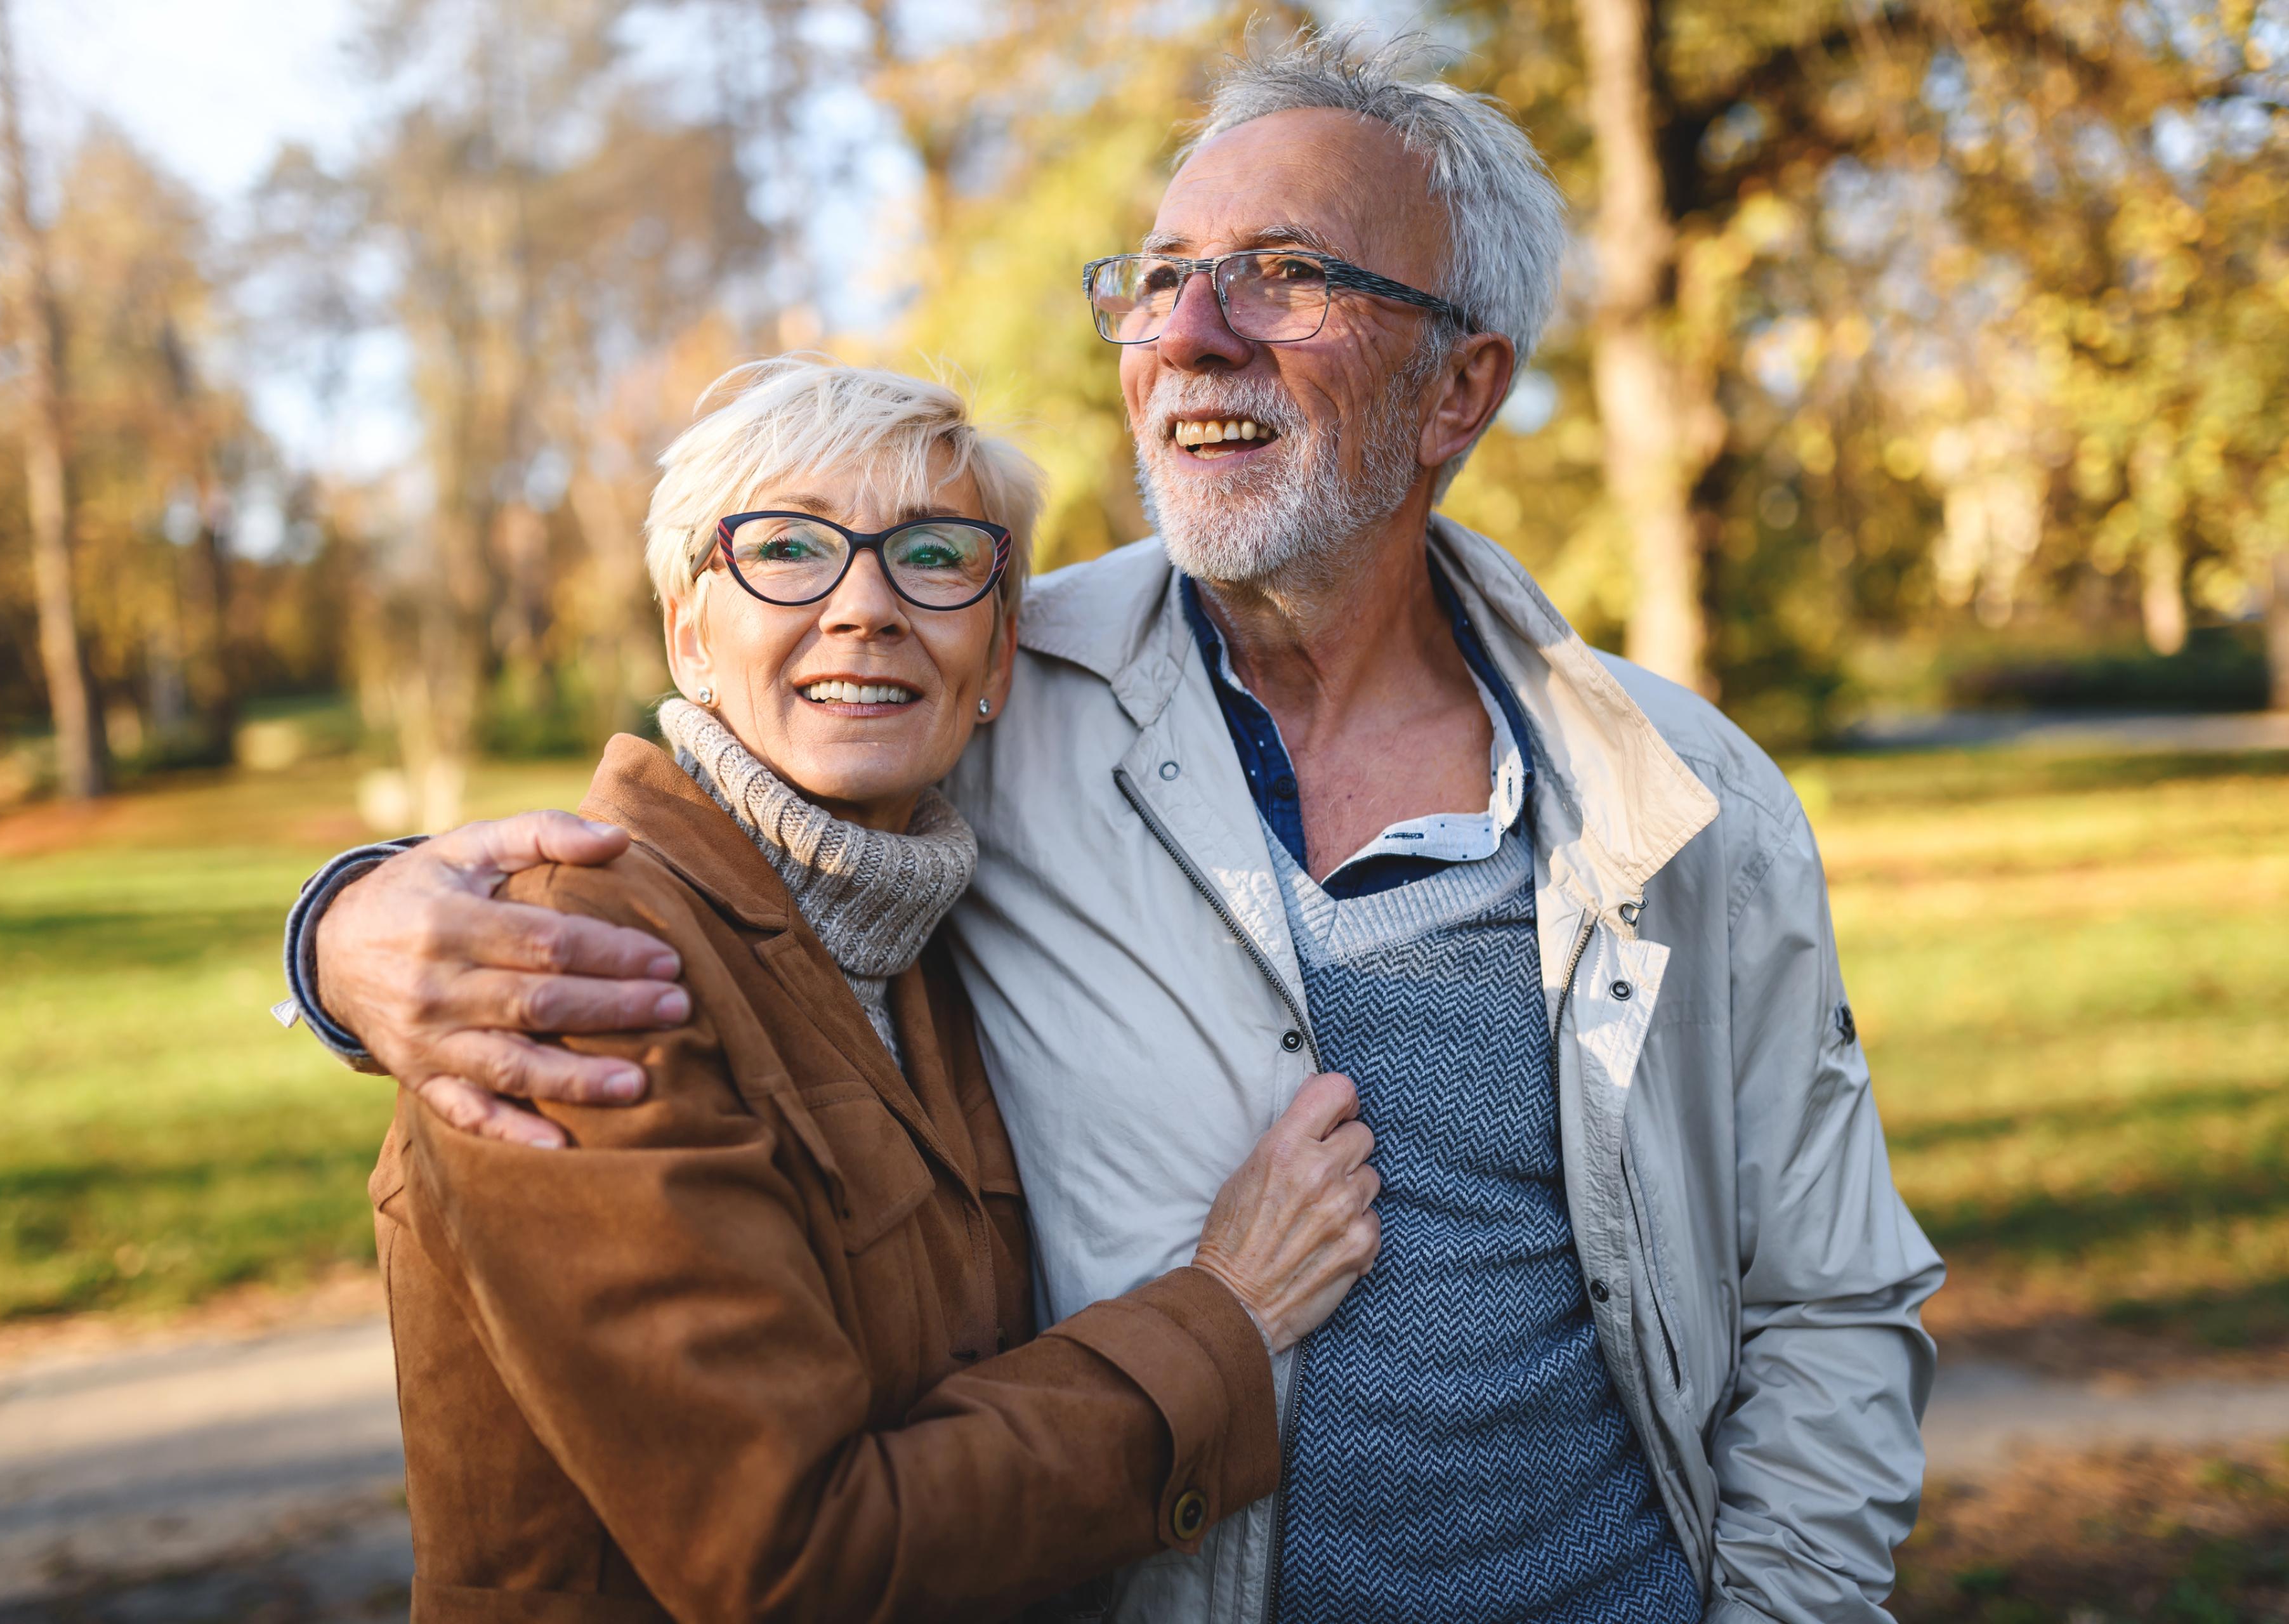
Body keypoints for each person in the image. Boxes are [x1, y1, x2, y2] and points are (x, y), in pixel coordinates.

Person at [281, 30, 1944, 1624]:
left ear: (1461, 389)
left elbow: (1828, 1295)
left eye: (1286, 274)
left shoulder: (1678, 795)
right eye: (1157, 277)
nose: (1190, 332)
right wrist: (346, 931)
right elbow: (710, 841)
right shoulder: (995, 699)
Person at [362, 358, 1382, 1623]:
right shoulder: (576, 960)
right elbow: (796, 1562)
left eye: (938, 555)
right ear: (690, 631)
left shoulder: (937, 947)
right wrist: (1220, 1313)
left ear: (998, 649)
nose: (865, 605)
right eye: (787, 548)